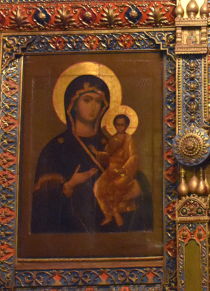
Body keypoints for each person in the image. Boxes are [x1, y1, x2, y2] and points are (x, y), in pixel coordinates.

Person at [31, 74, 152, 233]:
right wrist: (69, 185)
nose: (93, 106)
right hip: (73, 234)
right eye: (87, 100)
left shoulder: (110, 144)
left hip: (112, 236)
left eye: (98, 101)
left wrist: (139, 187)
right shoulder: (55, 148)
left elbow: (133, 173)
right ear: (73, 104)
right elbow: (42, 203)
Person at [95, 114, 140, 227]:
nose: (120, 127)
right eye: (118, 125)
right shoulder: (112, 139)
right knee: (99, 186)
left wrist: (124, 169)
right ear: (115, 126)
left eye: (122, 125)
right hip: (111, 170)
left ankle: (115, 213)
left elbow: (133, 156)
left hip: (124, 170)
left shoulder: (129, 139)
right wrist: (98, 154)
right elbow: (107, 156)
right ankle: (108, 214)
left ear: (126, 125)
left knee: (117, 185)